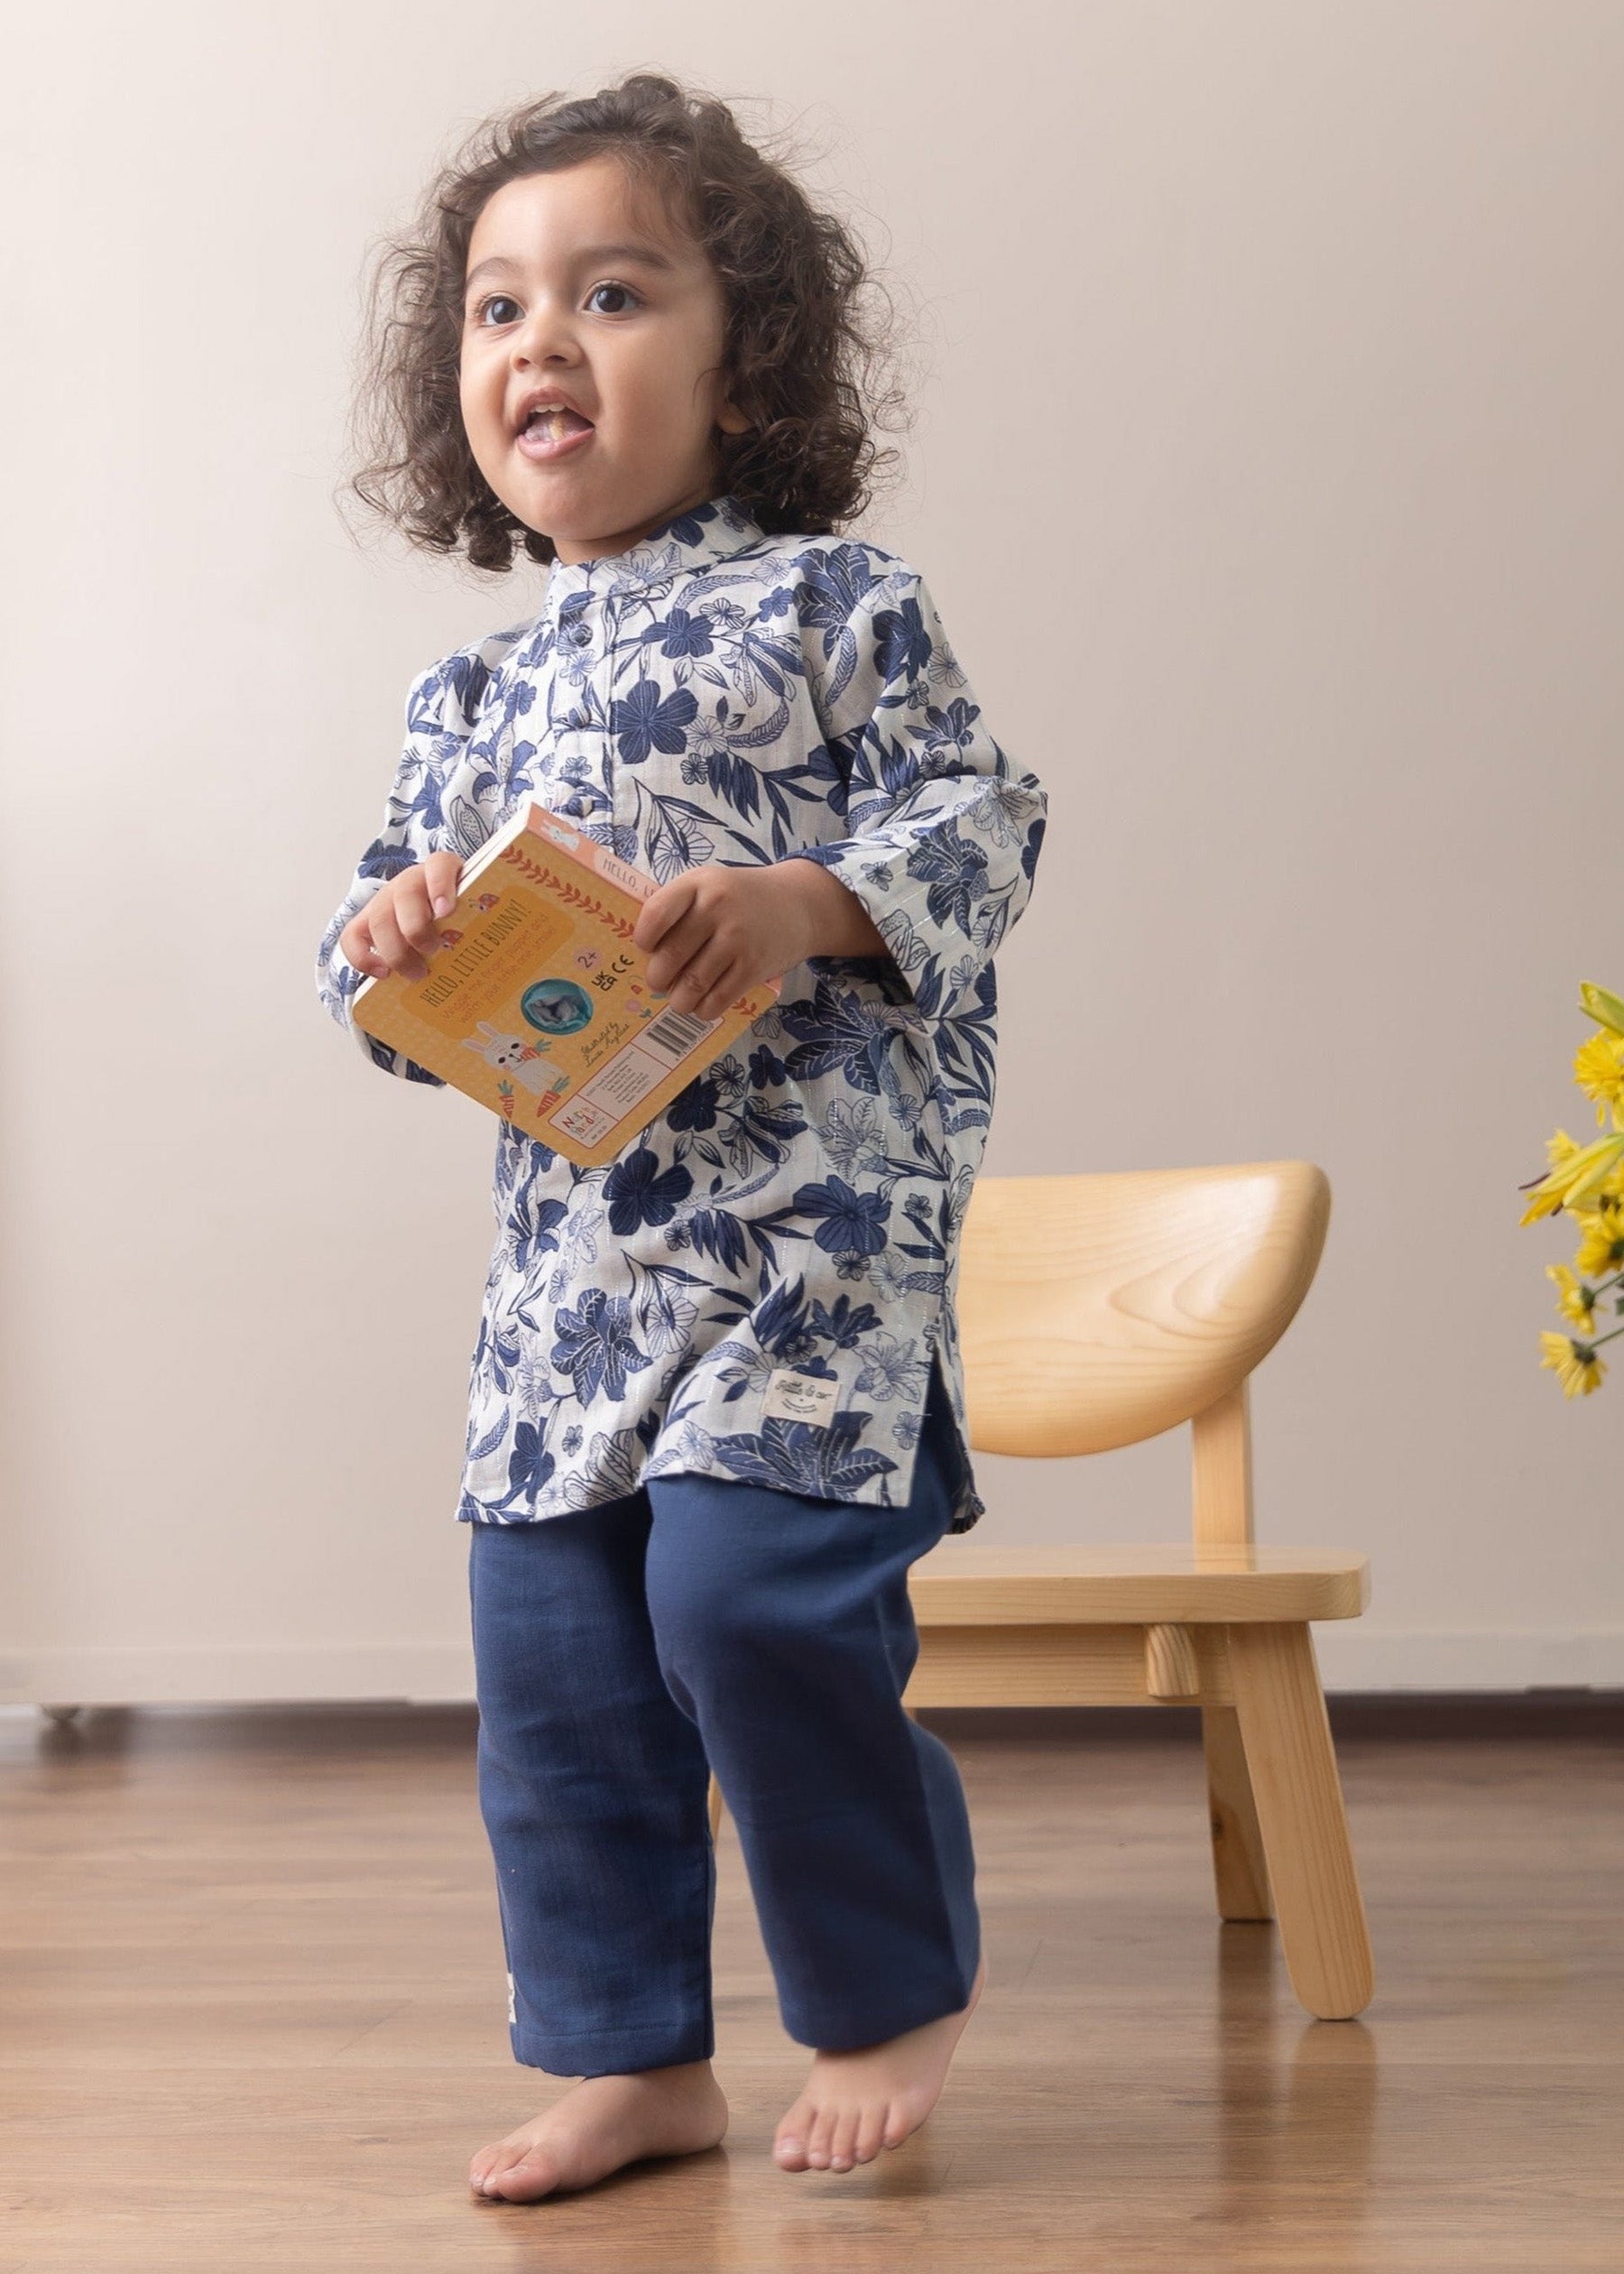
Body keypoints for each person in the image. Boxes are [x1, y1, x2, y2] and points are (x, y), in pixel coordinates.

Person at [315, 71, 1047, 2205]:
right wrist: (385, 940)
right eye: (494, 308)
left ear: (748, 372)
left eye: (612, 293)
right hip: (569, 1284)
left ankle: (884, 1979)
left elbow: (982, 829)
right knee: (552, 1667)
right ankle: (634, 2059)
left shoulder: (842, 609)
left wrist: (805, 905)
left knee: (749, 1609)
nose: (539, 342)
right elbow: (376, 974)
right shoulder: (467, 706)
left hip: (808, 1254)